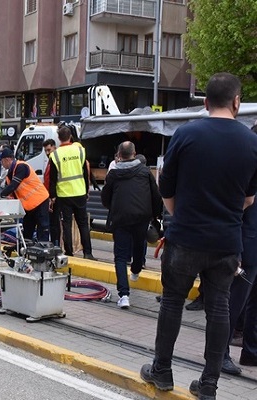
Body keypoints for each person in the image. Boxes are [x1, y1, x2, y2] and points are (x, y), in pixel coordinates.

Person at [140, 73, 257, 399]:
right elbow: (249, 200)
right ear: (237, 102)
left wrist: (183, 216)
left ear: (204, 103)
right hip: (227, 242)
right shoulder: (251, 142)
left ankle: (162, 371)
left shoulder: (186, 134)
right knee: (219, 307)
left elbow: (167, 188)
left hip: (186, 237)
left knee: (173, 302)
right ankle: (208, 384)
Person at [101, 141, 162, 309]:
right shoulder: (145, 171)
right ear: (134, 154)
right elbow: (156, 195)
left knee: (120, 257)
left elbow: (105, 197)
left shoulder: (113, 174)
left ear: (119, 155)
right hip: (141, 217)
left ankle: (124, 295)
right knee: (138, 246)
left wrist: (113, 207)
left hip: (120, 218)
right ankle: (136, 270)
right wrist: (156, 215)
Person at [222, 122, 257, 375]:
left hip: (248, 240)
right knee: (234, 301)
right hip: (245, 242)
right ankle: (221, 352)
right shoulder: (247, 166)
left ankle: (251, 351)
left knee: (246, 301)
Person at [49, 126, 95, 259]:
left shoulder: (55, 155)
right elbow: (85, 172)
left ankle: (69, 252)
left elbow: (53, 179)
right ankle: (88, 252)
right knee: (82, 224)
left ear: (59, 138)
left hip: (64, 194)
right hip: (80, 192)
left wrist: (52, 197)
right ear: (70, 136)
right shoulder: (80, 150)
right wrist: (87, 190)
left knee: (67, 224)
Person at [0, 148, 50, 242]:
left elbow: (13, 186)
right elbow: (12, 193)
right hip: (29, 206)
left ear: (7, 159)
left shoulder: (21, 166)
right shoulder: (10, 175)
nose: (1, 164)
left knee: (43, 229)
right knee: (27, 231)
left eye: (2, 161)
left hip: (40, 201)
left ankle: (43, 251)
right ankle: (27, 251)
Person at [43, 139, 61, 245]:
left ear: (54, 147)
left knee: (54, 223)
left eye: (49, 150)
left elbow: (53, 180)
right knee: (53, 223)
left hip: (54, 196)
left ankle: (56, 243)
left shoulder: (54, 161)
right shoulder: (50, 161)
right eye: (45, 150)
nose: (47, 153)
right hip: (50, 196)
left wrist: (52, 197)